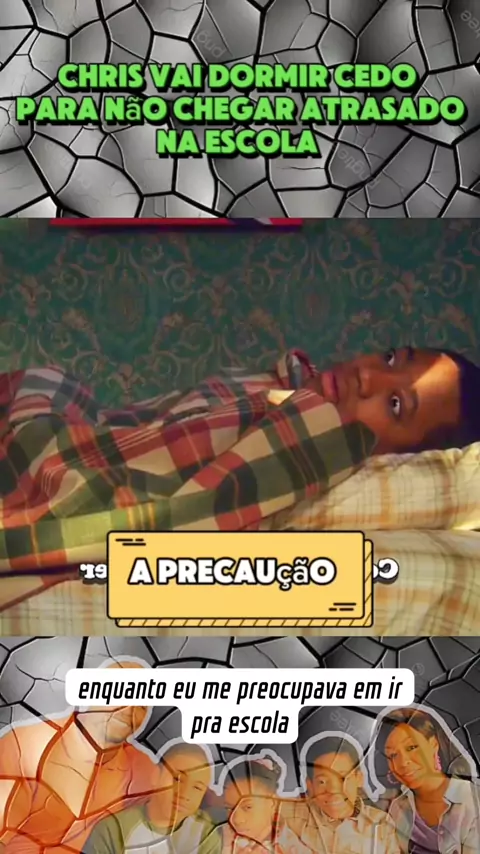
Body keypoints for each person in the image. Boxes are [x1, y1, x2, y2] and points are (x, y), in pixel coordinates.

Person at [0, 659, 158, 851]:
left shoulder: (144, 771)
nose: (129, 710)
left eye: (142, 705)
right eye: (119, 694)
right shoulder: (24, 745)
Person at [371, 707, 480, 854]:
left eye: (411, 747)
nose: (403, 763)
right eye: (393, 755)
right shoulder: (398, 808)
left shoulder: (473, 798)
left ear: (434, 744)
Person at [82, 741, 221, 854]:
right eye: (177, 779)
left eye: (197, 788)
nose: (184, 794)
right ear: (156, 775)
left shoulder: (206, 837)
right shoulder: (113, 829)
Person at [281, 735, 400, 854]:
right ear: (310, 785)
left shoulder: (381, 823)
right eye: (322, 781)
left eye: (342, 778)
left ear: (359, 778)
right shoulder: (291, 814)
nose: (333, 790)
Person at [221, 755, 311, 854]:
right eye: (229, 808)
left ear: (272, 802)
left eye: (248, 807)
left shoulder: (293, 849)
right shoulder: (220, 837)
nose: (237, 820)